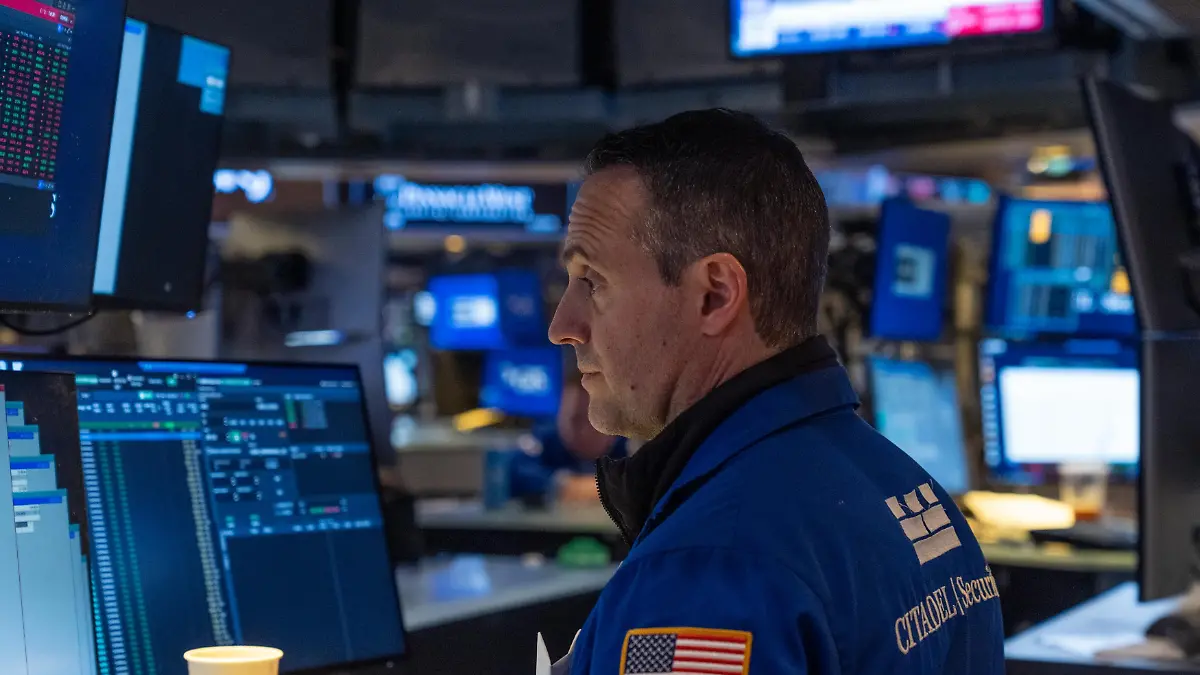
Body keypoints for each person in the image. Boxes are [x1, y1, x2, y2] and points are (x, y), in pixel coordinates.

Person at [548, 109, 1004, 674]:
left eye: (592, 281)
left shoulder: (706, 571)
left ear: (715, 294)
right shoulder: (910, 491)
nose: (562, 324)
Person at [509, 374, 628, 504]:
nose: (585, 432)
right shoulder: (544, 439)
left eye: (596, 421)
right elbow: (517, 475)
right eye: (576, 419)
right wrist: (563, 486)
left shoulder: (631, 445)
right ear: (560, 417)